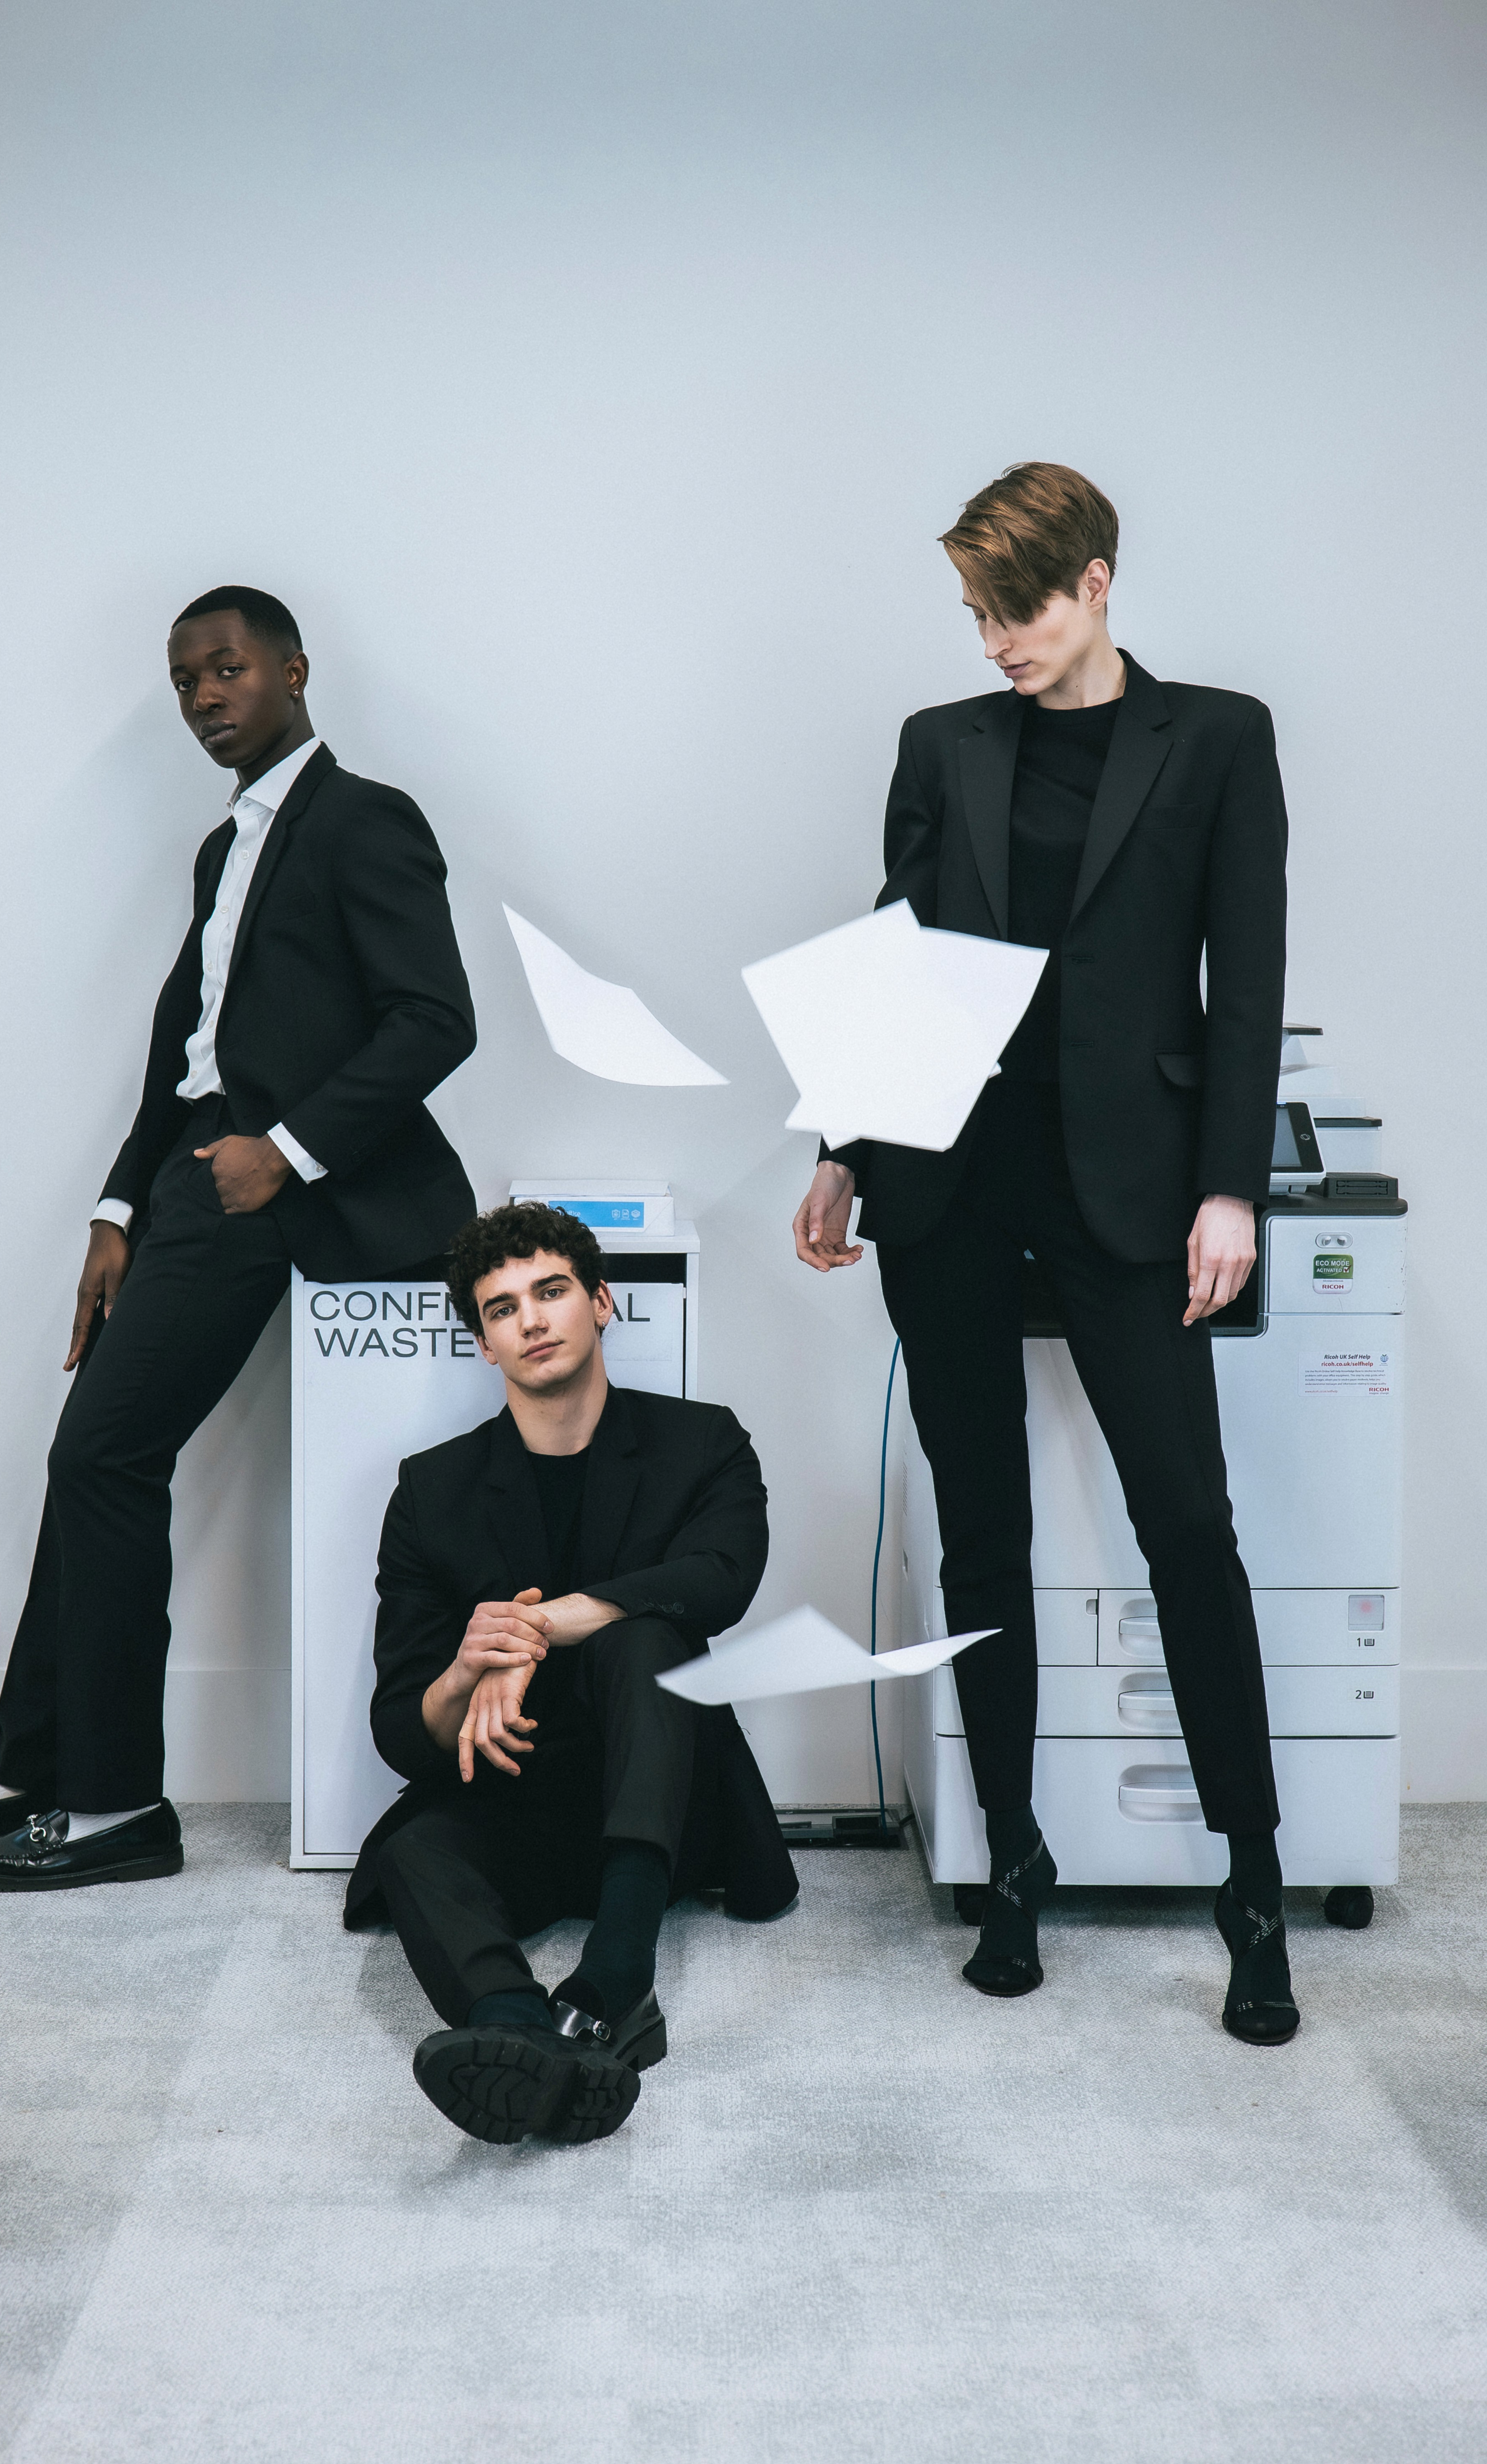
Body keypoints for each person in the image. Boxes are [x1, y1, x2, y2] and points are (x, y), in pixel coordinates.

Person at [794, 464, 1299, 2046]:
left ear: (1095, 583)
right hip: (948, 1184)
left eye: (1013, 609)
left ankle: (1254, 1888)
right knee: (983, 1537)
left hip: (1133, 1194)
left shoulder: (1218, 738)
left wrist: (1232, 1191)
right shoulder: (942, 743)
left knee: (1188, 1529)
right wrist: (840, 1146)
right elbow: (894, 953)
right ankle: (1012, 1856)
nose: (993, 641)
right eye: (973, 614)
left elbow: (1248, 980)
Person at [0, 587, 477, 1892]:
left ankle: (114, 1807)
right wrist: (117, 1211)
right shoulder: (223, 850)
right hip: (194, 1180)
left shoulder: (365, 820)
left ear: (294, 670)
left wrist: (286, 1151)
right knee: (90, 1461)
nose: (205, 697)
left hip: (279, 1183)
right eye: (186, 680)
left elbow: (436, 1020)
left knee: (101, 1456)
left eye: (228, 669)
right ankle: (29, 1774)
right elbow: (186, 1054)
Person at [344, 1201, 796, 2144]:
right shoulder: (433, 1490)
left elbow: (720, 1581)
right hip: (524, 1805)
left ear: (601, 1303)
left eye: (550, 1292)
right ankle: (516, 2031)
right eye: (502, 1308)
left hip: (668, 1806)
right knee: (413, 1851)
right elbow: (401, 1732)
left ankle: (614, 1984)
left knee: (645, 1636)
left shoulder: (701, 1443)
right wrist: (467, 1669)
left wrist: (535, 1627)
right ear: (484, 1345)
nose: (532, 1321)